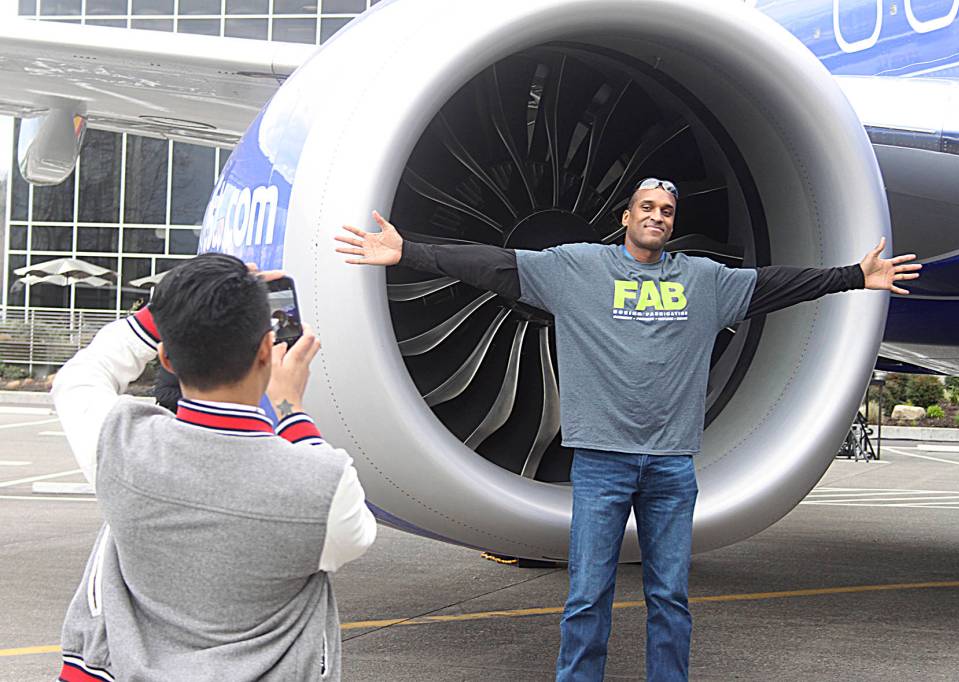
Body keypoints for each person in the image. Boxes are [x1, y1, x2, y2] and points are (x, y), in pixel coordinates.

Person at [335, 177, 921, 681]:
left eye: (666, 212)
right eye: (647, 208)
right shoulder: (577, 268)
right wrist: (408, 251)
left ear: (672, 223)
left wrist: (852, 276)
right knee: (588, 594)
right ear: (626, 217)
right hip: (602, 463)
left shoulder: (705, 280)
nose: (657, 218)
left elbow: (776, 284)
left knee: (670, 597)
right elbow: (492, 265)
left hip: (670, 464)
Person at [51, 253, 377, 682]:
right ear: (267, 350)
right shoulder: (323, 485)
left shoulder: (122, 445)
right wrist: (290, 408)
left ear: (166, 357)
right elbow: (356, 534)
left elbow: (80, 376)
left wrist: (168, 310)